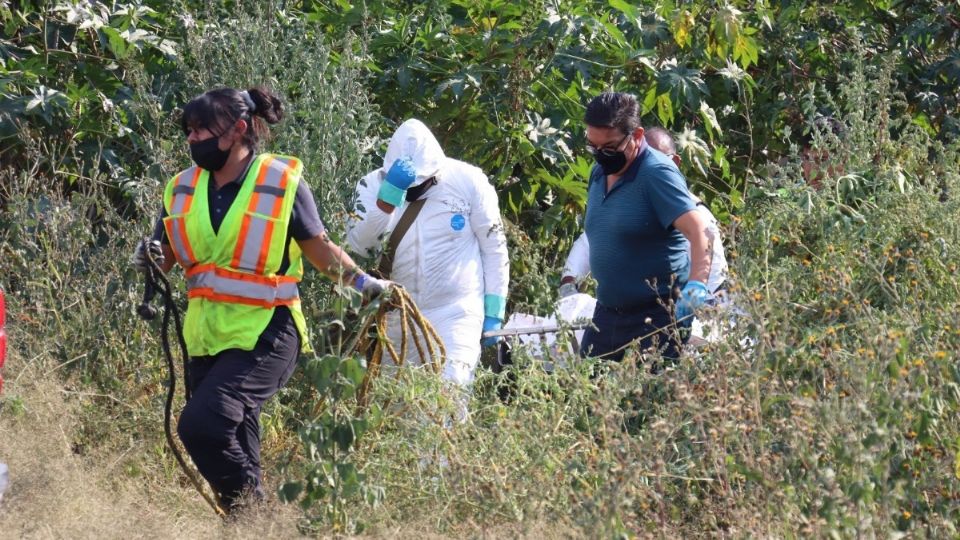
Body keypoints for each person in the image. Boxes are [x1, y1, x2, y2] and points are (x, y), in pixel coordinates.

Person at [130, 86, 391, 512]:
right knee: (233, 440)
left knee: (201, 426)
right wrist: (148, 258)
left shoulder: (281, 183)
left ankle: (258, 517)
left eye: (201, 130)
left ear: (238, 129)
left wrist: (365, 286)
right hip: (206, 337)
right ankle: (251, 529)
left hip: (268, 332)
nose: (192, 139)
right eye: (189, 131)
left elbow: (321, 251)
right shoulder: (180, 188)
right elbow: (166, 259)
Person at [346, 119, 509, 404]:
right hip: (396, 317)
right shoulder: (371, 185)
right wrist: (385, 203)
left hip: (455, 313)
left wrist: (494, 310)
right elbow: (359, 246)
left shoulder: (469, 181)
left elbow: (494, 247)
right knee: (396, 408)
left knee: (448, 399)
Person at [575, 92, 714, 361]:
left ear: (637, 136)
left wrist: (697, 285)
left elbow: (701, 231)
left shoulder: (656, 174)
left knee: (647, 399)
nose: (601, 156)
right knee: (589, 395)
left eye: (610, 148)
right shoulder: (599, 173)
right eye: (593, 147)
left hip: (655, 315)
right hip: (608, 312)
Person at [560, 127, 728, 299]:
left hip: (673, 307)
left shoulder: (697, 213)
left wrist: (696, 294)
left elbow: (714, 282)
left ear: (675, 163)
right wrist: (569, 282)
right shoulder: (623, 200)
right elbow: (590, 240)